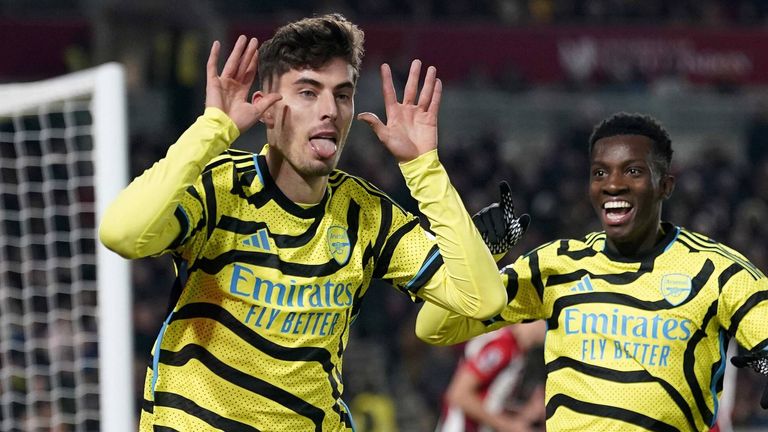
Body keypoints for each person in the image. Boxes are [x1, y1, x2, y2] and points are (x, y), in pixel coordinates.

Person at [99, 14, 509, 431]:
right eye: (309, 93)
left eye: (343, 95)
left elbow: (482, 300)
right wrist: (212, 128)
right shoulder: (221, 188)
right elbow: (122, 234)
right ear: (267, 109)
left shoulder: (365, 215)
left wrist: (423, 168)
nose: (330, 111)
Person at [417, 112, 768, 431]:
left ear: (665, 186)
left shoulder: (719, 272)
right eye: (600, 172)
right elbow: (436, 327)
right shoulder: (556, 265)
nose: (613, 184)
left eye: (633, 171)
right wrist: (484, 255)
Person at [436, 320, 546, 432]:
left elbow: (493, 400)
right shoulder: (502, 347)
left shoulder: (520, 354)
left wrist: (525, 414)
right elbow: (459, 394)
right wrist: (508, 425)